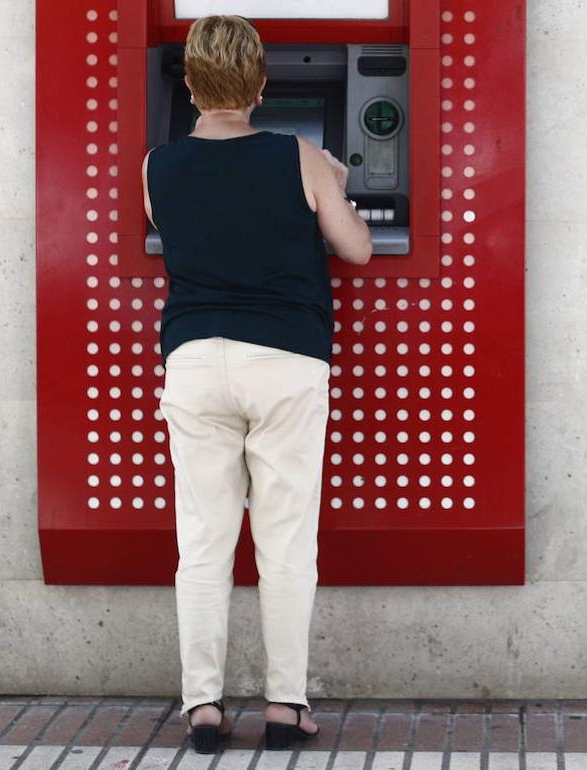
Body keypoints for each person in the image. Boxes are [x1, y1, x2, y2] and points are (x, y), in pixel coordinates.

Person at [140, 13, 372, 755]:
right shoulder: (299, 156)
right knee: (284, 542)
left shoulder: (158, 164)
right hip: (284, 362)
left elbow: (178, 228)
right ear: (261, 86)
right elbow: (357, 250)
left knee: (203, 541)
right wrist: (333, 179)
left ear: (191, 88)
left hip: (197, 362)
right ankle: (284, 706)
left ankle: (203, 708)